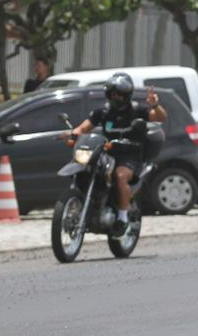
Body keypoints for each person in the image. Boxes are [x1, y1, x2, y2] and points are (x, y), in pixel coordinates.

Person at [69, 73, 167, 238]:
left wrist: (155, 105)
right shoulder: (103, 112)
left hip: (129, 156)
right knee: (85, 168)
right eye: (114, 93)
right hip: (106, 152)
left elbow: (160, 117)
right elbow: (84, 127)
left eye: (120, 93)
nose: (116, 97)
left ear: (127, 94)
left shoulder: (137, 110)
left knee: (120, 176)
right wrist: (73, 134)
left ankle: (122, 218)